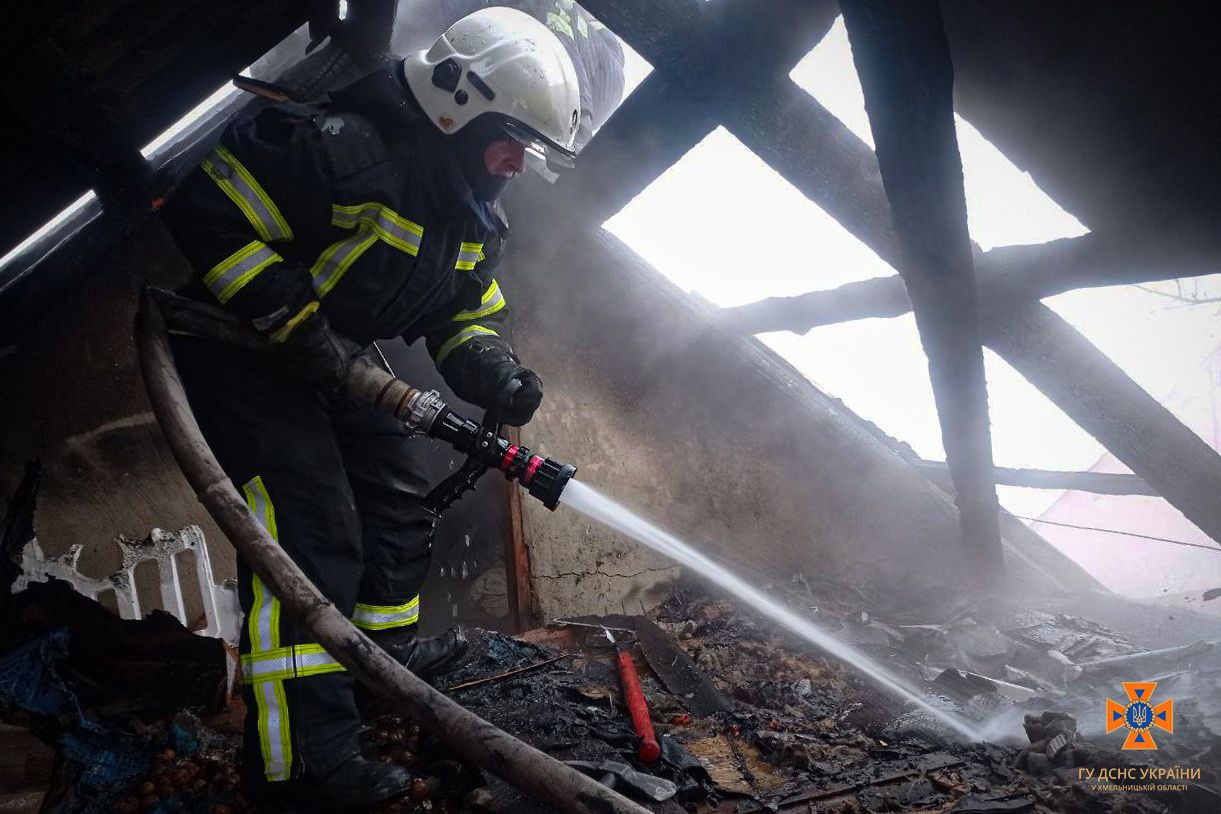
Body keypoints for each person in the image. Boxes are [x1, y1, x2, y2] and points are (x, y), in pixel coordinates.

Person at [158, 8, 581, 808]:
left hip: (341, 363)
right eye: (513, 141)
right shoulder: (338, 151)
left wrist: (492, 369)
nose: (519, 165)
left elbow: (463, 312)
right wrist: (288, 318)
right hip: (240, 349)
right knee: (310, 534)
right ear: (459, 105)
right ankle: (297, 765)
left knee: (398, 508)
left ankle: (367, 679)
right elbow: (208, 210)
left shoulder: (470, 211)